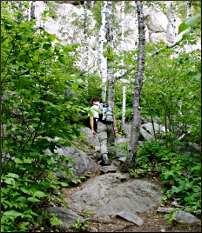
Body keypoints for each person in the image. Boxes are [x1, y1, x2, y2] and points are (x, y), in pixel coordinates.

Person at [89, 97, 115, 165]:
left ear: (93, 102)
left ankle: (105, 159)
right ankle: (111, 158)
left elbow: (91, 119)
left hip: (101, 125)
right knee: (110, 143)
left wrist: (92, 129)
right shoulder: (106, 106)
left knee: (103, 142)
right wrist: (114, 127)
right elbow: (113, 116)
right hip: (110, 125)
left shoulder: (92, 108)